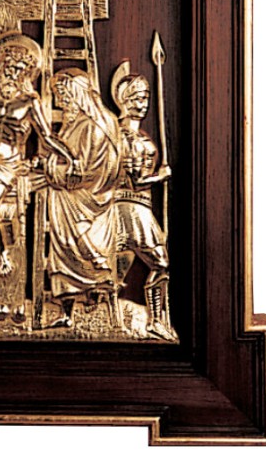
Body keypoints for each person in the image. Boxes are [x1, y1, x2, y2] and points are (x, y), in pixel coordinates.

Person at [0, 32, 76, 293]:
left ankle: (3, 255)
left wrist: (69, 156)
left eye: (21, 70)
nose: (14, 74)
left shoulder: (30, 101)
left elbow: (46, 136)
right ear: (0, 65)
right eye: (10, 67)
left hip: (7, 162)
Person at [44, 69, 122, 329]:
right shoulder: (80, 122)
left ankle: (92, 273)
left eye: (62, 94)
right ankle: (68, 312)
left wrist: (50, 170)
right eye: (57, 95)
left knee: (60, 208)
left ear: (77, 94)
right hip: (84, 197)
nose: (59, 101)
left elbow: (84, 174)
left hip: (85, 200)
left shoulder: (92, 127)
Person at [110, 61, 177, 342]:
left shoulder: (140, 136)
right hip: (132, 206)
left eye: (146, 97)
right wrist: (161, 176)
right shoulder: (124, 136)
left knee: (118, 270)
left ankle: (150, 321)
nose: (143, 104)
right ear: (123, 101)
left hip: (137, 206)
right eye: (136, 98)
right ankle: (155, 321)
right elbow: (135, 181)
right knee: (159, 263)